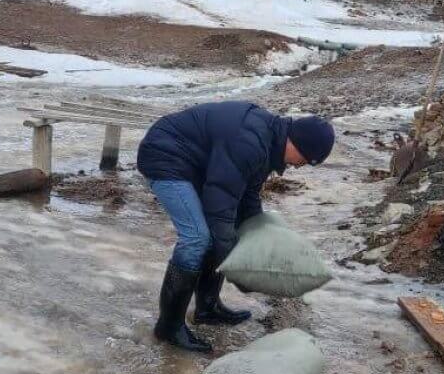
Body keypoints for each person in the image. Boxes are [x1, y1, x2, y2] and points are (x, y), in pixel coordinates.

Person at [136, 102, 336, 353]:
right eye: (305, 160)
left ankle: (207, 308)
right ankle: (168, 327)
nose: (300, 166)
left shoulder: (268, 144)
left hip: (196, 164)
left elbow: (247, 196)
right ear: (296, 142)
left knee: (222, 233)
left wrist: (255, 235)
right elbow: (220, 201)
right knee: (197, 237)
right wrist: (234, 264)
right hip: (165, 156)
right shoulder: (250, 142)